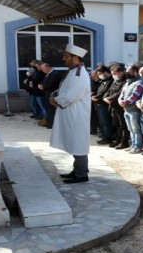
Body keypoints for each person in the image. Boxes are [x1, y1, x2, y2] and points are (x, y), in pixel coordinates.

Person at [51, 44, 92, 184]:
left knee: (78, 144)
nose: (63, 59)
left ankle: (81, 174)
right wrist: (56, 96)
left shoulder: (80, 75)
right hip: (71, 114)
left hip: (77, 115)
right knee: (74, 143)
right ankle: (77, 171)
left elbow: (71, 96)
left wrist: (55, 100)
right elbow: (64, 90)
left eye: (66, 56)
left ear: (75, 58)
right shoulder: (74, 72)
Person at [119, 65, 143, 154]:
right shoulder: (127, 82)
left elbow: (135, 96)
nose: (127, 74)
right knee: (130, 129)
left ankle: (138, 146)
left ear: (135, 72)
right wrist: (120, 100)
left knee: (136, 129)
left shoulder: (140, 83)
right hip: (126, 109)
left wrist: (125, 102)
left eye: (129, 72)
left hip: (134, 110)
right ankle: (133, 145)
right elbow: (122, 93)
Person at [92, 66, 114, 144]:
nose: (99, 75)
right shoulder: (102, 80)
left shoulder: (110, 80)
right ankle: (104, 136)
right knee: (102, 122)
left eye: (100, 73)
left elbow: (104, 92)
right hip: (98, 103)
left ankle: (107, 138)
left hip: (104, 104)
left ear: (105, 72)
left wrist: (95, 97)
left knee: (106, 122)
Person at [38, 63, 63, 129]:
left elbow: (50, 84)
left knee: (52, 110)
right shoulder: (47, 74)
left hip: (52, 94)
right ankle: (49, 122)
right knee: (48, 109)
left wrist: (43, 87)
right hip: (46, 94)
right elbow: (42, 81)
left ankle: (52, 124)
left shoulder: (55, 74)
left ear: (48, 67)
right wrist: (40, 85)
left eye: (43, 69)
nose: (43, 71)